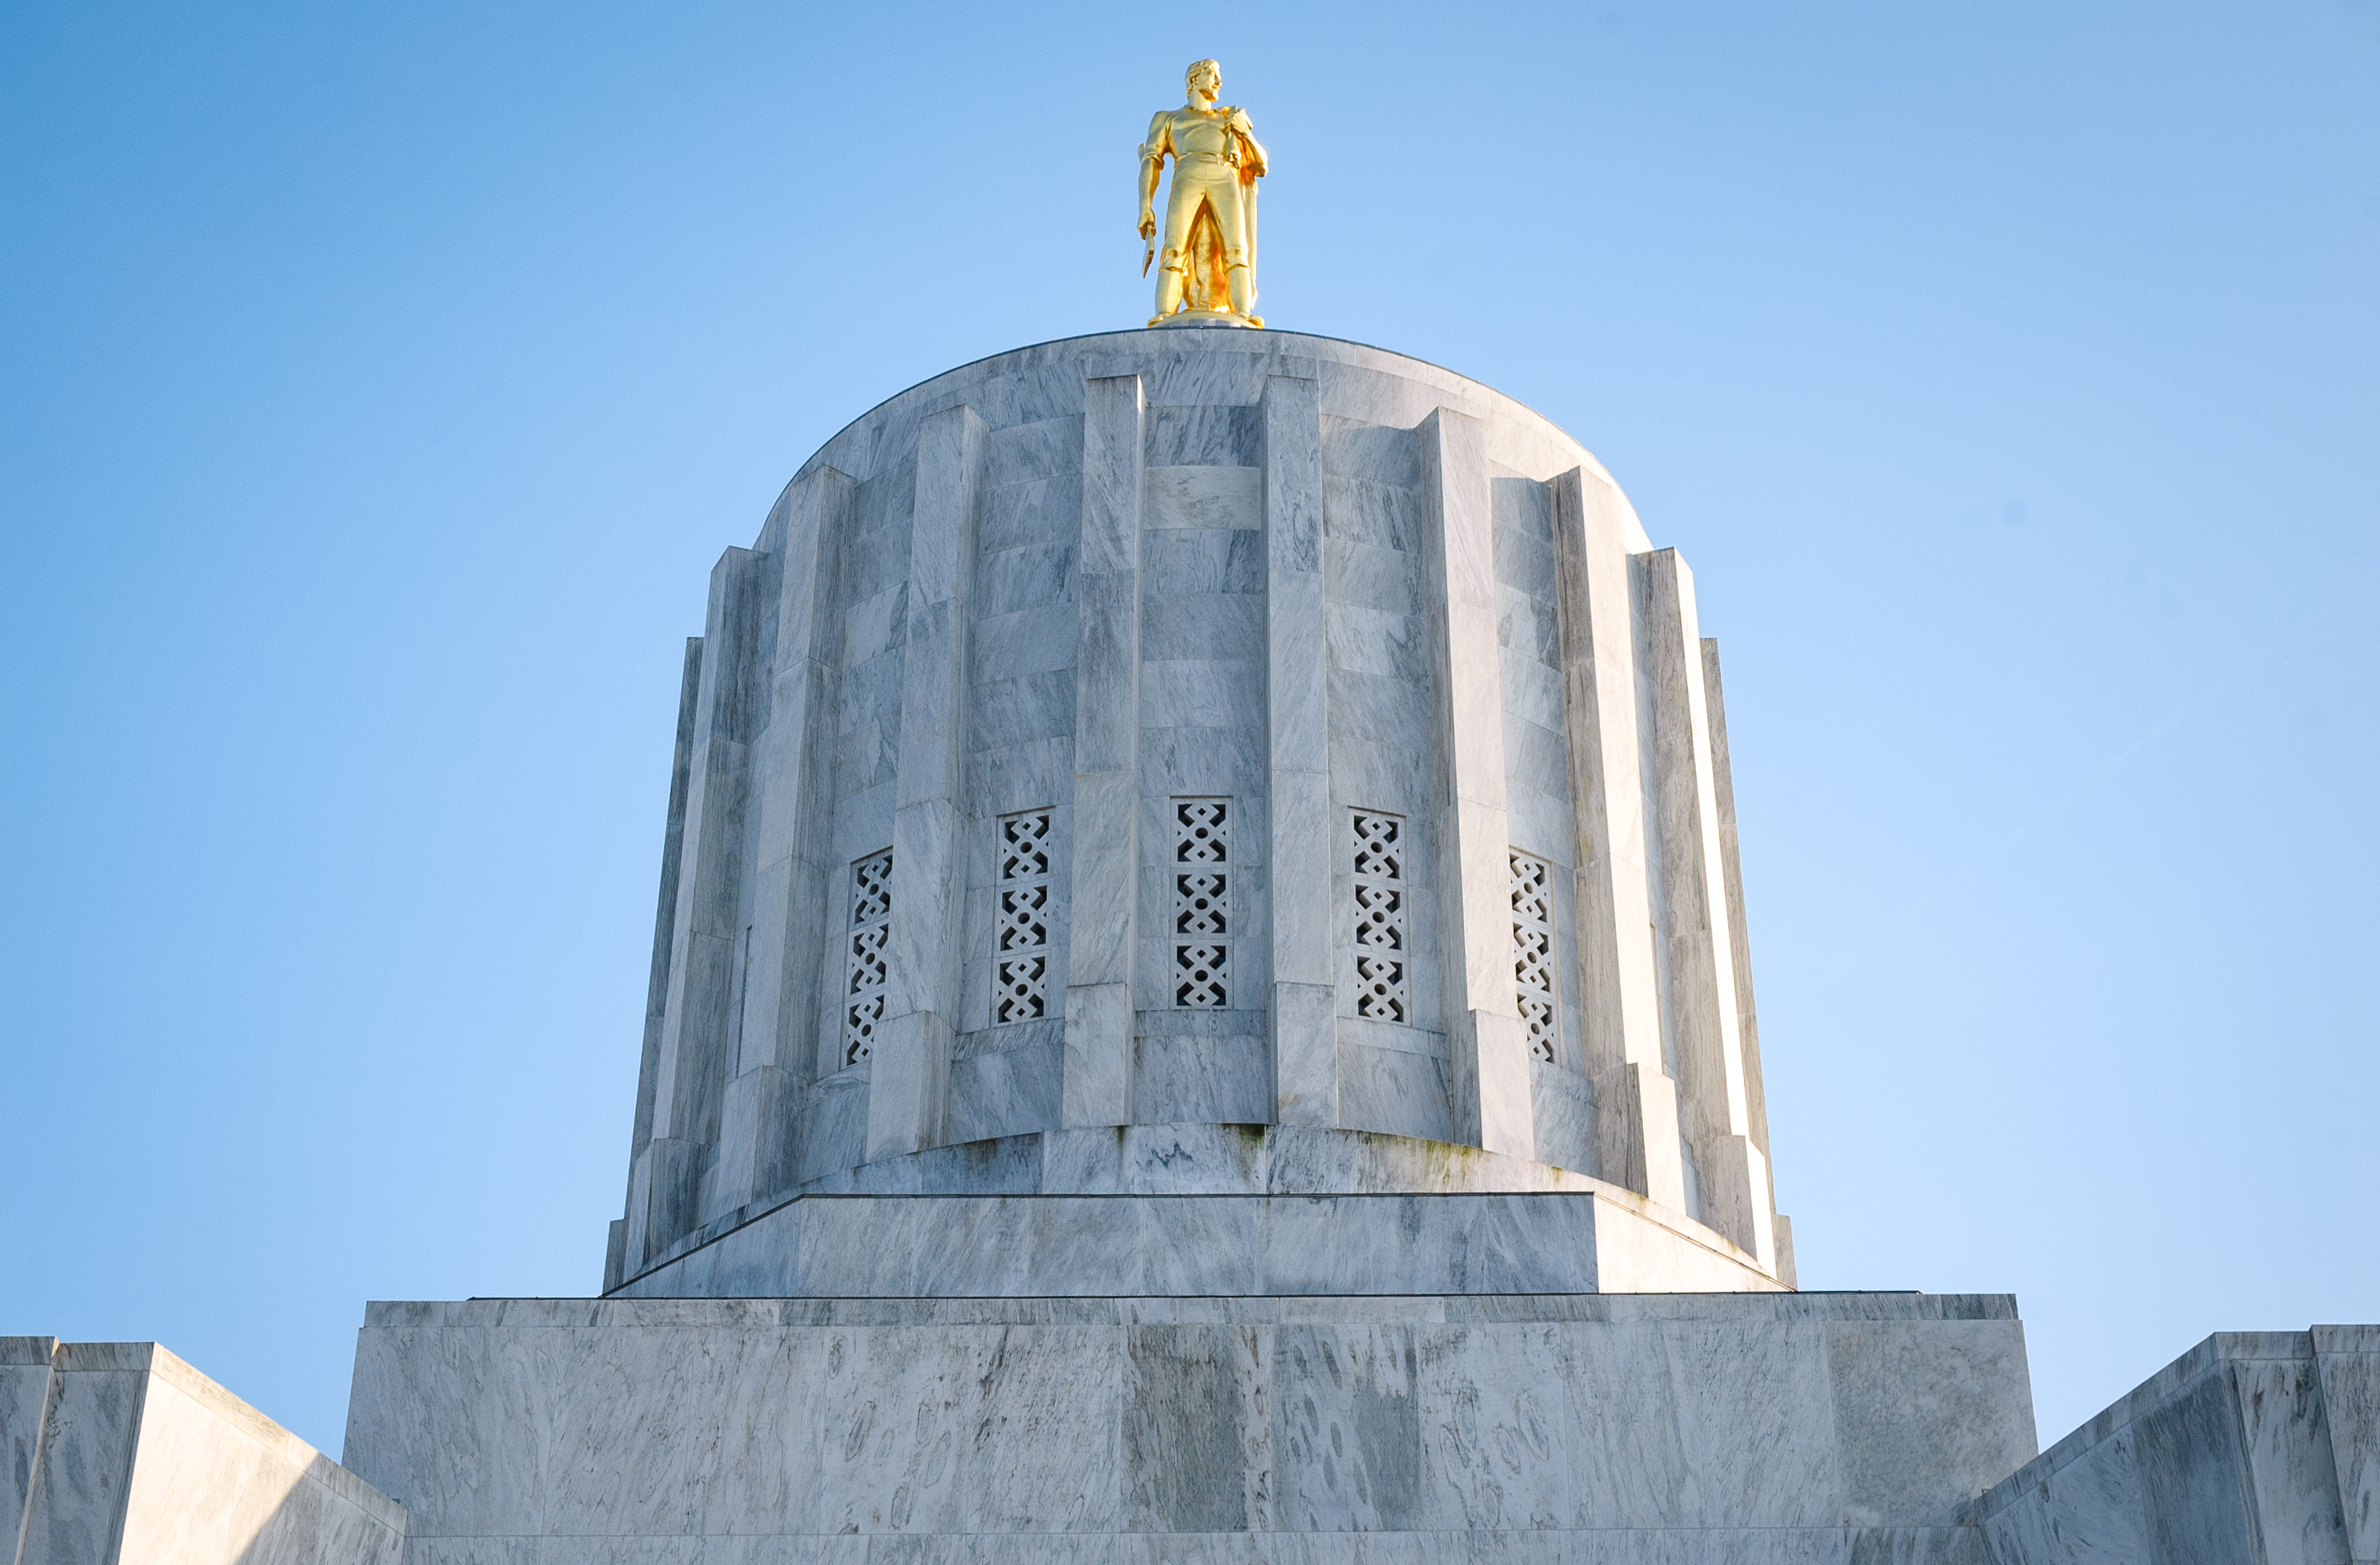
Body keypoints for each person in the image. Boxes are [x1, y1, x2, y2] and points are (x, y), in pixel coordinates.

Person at [1138, 60, 1268, 326]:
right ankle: (1164, 314)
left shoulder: (1229, 117)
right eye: (1213, 74)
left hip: (1224, 175)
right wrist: (1145, 206)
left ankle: (1242, 313)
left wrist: (1245, 132)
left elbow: (1261, 165)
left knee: (1236, 247)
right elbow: (1151, 160)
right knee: (1175, 246)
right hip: (1188, 172)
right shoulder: (1168, 118)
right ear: (1193, 79)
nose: (1218, 82)